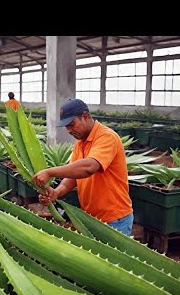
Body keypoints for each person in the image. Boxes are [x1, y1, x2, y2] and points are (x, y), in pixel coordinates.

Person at [32, 98, 133, 236]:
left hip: (114, 219)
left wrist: (50, 172)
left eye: (71, 124)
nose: (68, 130)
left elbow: (89, 167)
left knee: (112, 258)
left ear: (85, 116)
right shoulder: (80, 143)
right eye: (66, 126)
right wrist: (56, 192)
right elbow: (71, 179)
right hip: (91, 219)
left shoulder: (106, 137)